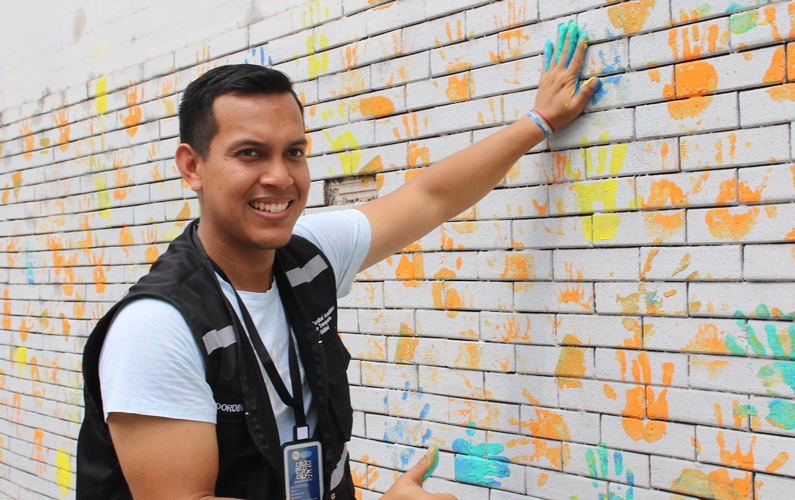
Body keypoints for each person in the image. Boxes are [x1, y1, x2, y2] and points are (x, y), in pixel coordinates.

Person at [76, 21, 596, 500]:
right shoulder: (156, 328)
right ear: (192, 167)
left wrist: (539, 122)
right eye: (250, 153)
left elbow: (430, 199)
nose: (280, 177)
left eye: (294, 152)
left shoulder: (305, 254)